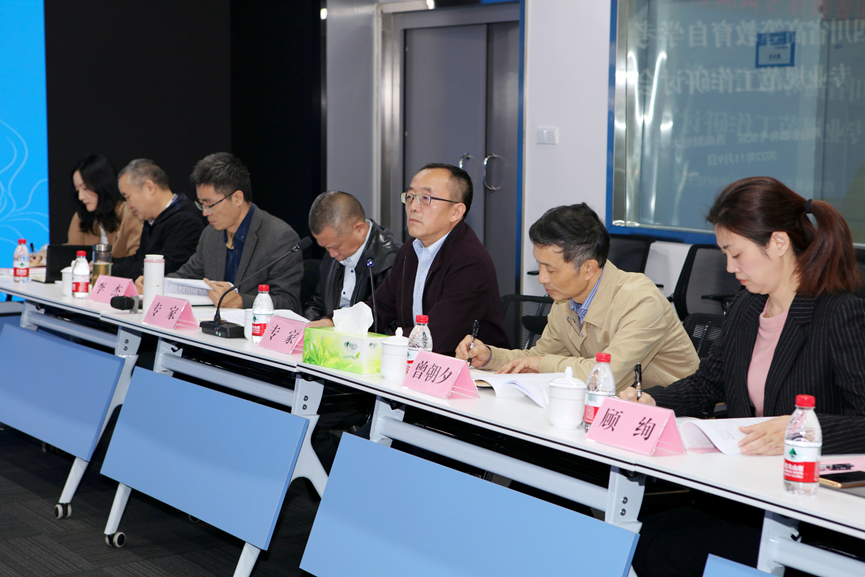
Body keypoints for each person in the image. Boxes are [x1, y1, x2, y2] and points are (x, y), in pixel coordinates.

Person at [618, 176, 865, 577]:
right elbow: (706, 384)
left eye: (736, 254)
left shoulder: (838, 313)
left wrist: (803, 430)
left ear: (779, 243)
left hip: (805, 508)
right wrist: (650, 400)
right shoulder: (747, 308)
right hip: (744, 491)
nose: (730, 268)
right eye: (725, 255)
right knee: (640, 535)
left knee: (670, 549)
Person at [456, 203, 700, 390]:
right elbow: (538, 357)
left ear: (589, 268)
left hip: (672, 415)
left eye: (551, 270)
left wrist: (541, 363)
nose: (542, 278)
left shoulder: (640, 301)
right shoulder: (566, 299)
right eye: (539, 266)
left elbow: (606, 375)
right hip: (607, 406)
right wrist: (490, 356)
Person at [311, 163, 509, 354]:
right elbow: (379, 307)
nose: (413, 206)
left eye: (425, 198)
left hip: (472, 371)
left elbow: (437, 337)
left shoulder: (470, 262)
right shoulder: (411, 250)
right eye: (410, 196)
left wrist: (374, 345)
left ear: (456, 212)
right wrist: (332, 322)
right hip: (416, 361)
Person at [163, 152, 303, 311]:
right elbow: (185, 276)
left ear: (237, 198)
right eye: (201, 204)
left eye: (210, 204)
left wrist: (241, 301)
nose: (204, 212)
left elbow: (289, 302)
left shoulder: (280, 237)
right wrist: (155, 284)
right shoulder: (211, 234)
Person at [304, 190, 401, 321]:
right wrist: (304, 326)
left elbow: (386, 321)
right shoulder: (334, 246)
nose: (332, 254)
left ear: (359, 229)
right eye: (326, 248)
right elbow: (318, 303)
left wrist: (334, 323)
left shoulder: (391, 260)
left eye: (336, 247)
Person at [111, 159, 204, 279]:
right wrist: (106, 264)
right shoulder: (154, 220)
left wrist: (110, 269)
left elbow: (164, 268)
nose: (128, 206)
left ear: (150, 188)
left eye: (128, 197)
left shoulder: (187, 222)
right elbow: (139, 259)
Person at [66, 154, 142, 257]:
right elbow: (70, 253)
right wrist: (46, 256)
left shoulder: (129, 213)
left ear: (102, 184)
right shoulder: (80, 217)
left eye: (85, 188)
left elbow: (136, 258)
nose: (80, 197)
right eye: (77, 190)